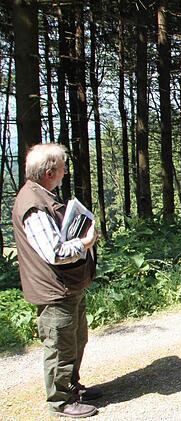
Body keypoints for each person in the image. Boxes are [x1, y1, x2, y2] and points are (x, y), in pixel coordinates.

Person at [11, 143, 101, 418]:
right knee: (60, 346)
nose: (65, 173)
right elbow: (55, 252)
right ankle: (60, 401)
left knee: (75, 340)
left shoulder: (43, 195)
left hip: (67, 285)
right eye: (62, 168)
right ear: (49, 172)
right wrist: (85, 243)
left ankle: (70, 387)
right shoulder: (34, 206)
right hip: (54, 290)